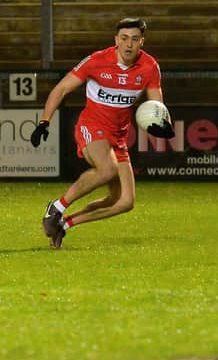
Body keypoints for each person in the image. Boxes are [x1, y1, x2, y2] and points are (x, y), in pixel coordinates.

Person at [30, 17, 174, 249]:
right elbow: (62, 88)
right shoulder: (97, 61)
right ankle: (57, 207)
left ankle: (65, 224)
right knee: (107, 169)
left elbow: (157, 107)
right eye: (124, 38)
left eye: (135, 39)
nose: (129, 44)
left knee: (124, 202)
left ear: (142, 42)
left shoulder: (149, 67)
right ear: (116, 40)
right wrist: (44, 122)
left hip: (118, 138)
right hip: (91, 126)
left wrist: (163, 125)